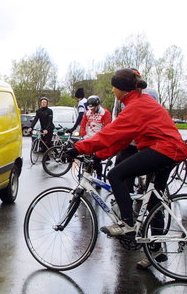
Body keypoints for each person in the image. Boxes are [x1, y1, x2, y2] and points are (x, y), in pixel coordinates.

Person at [66, 68, 187, 251]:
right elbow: (121, 139)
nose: (113, 91)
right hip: (169, 150)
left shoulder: (136, 106)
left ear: (122, 88)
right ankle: (157, 253)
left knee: (116, 174)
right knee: (154, 201)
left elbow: (110, 134)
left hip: (163, 149)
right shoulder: (139, 102)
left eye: (114, 87)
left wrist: (78, 148)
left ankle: (127, 224)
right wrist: (99, 155)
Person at [79, 95, 112, 179]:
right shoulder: (87, 112)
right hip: (88, 138)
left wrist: (100, 138)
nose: (92, 110)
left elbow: (107, 127)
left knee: (97, 160)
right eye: (90, 108)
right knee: (86, 158)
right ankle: (85, 174)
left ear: (98, 105)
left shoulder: (105, 113)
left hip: (98, 139)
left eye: (93, 108)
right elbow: (82, 125)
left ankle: (99, 177)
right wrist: (84, 135)